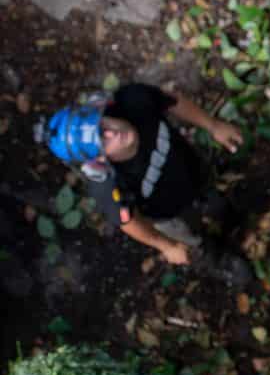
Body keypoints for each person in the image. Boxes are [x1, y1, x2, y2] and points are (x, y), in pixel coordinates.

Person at [40, 83, 249, 280]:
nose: (113, 133)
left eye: (102, 126)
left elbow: (172, 101)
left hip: (193, 172)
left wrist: (213, 126)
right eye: (103, 140)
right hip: (169, 215)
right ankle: (219, 262)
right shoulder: (108, 186)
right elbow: (128, 222)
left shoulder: (133, 101)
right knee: (193, 245)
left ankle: (228, 215)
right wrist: (166, 246)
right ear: (99, 159)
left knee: (216, 202)